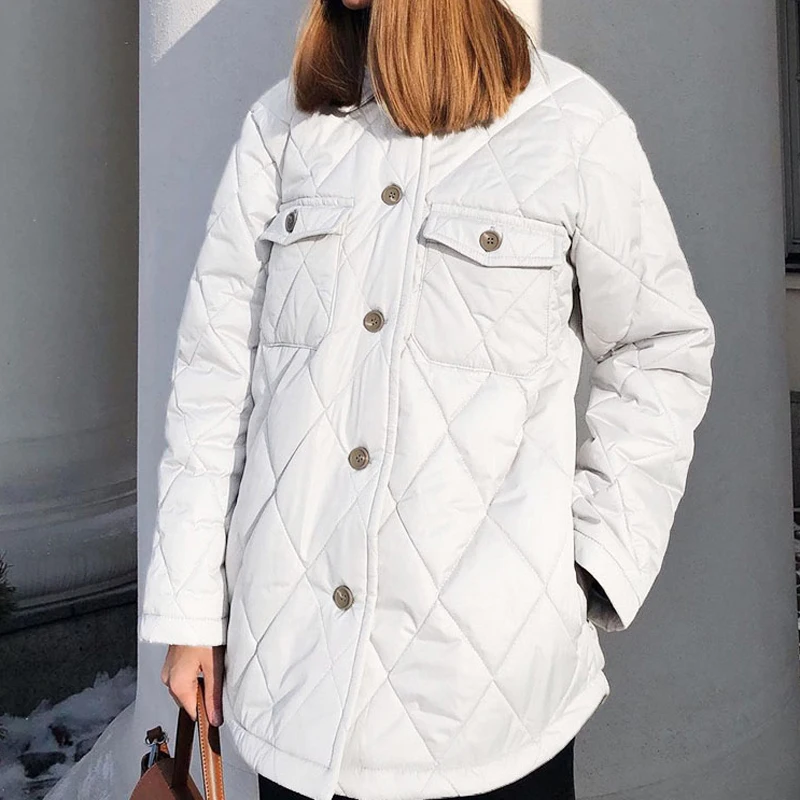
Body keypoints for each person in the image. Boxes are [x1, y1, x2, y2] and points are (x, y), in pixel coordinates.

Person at [139, 0, 716, 798]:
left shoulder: (572, 126)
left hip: (492, 707)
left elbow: (659, 346)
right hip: (299, 695)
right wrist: (191, 610)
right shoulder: (281, 131)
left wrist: (590, 566)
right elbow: (214, 376)